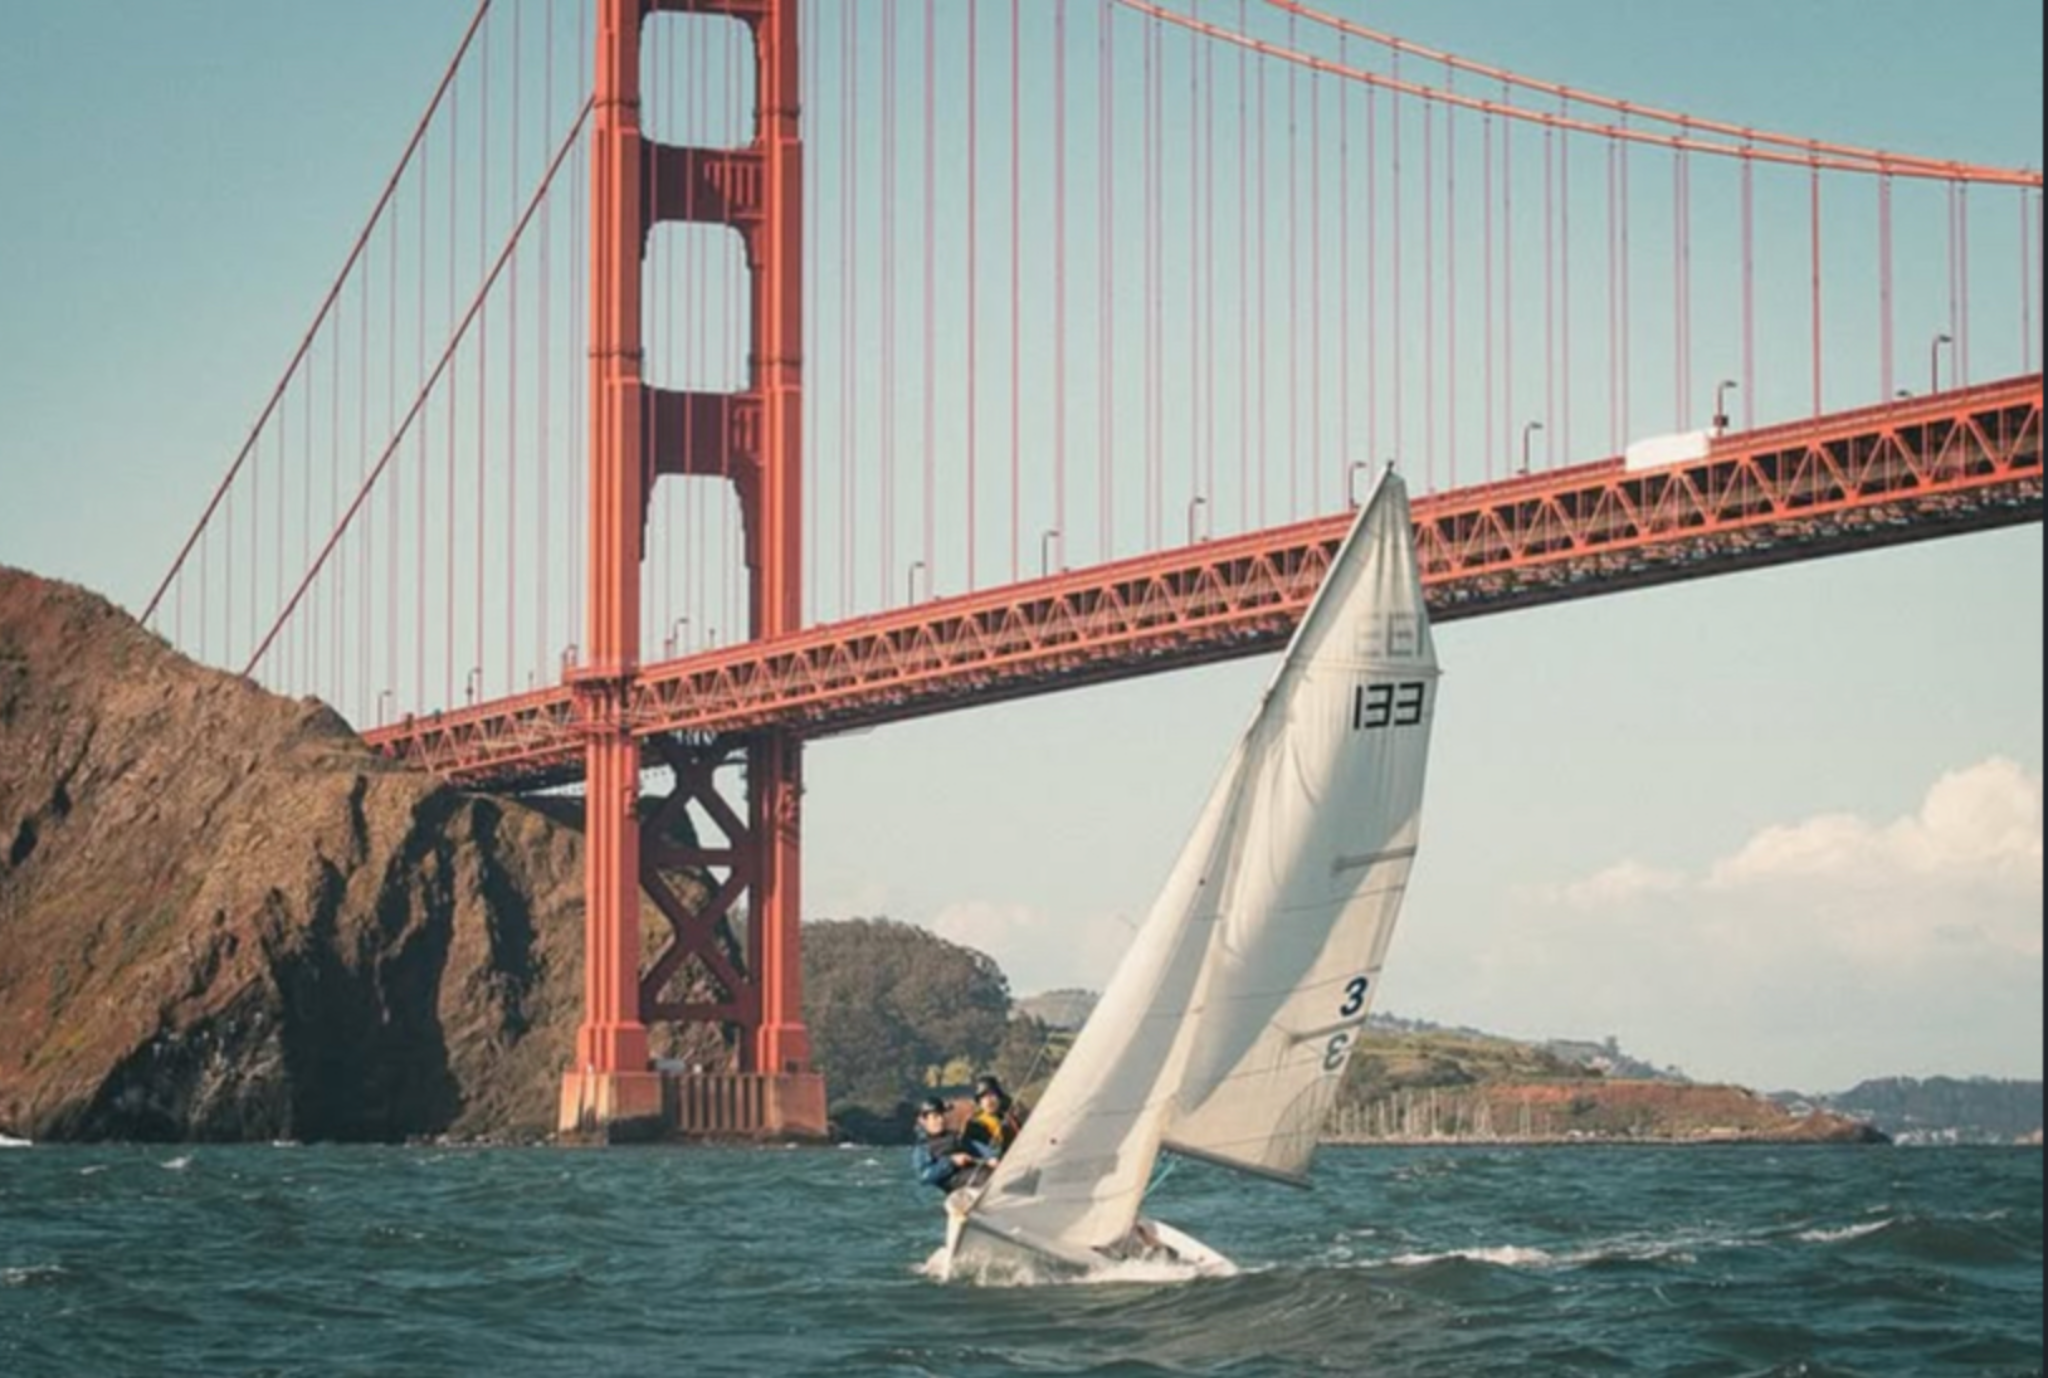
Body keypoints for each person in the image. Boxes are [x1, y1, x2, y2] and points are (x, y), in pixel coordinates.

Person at [910, 1096, 993, 1192]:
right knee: (985, 1176)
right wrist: (951, 1161)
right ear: (923, 1120)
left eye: (942, 1115)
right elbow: (924, 1177)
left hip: (975, 1173)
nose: (941, 1120)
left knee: (992, 1173)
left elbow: (977, 1147)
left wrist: (991, 1157)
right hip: (956, 1184)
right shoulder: (922, 1148)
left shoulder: (955, 1136)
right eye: (935, 1117)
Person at [960, 1074, 1028, 1161]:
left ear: (999, 1098)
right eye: (984, 1097)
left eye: (992, 1094)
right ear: (979, 1102)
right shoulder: (974, 1126)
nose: (989, 1100)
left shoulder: (1009, 1116)